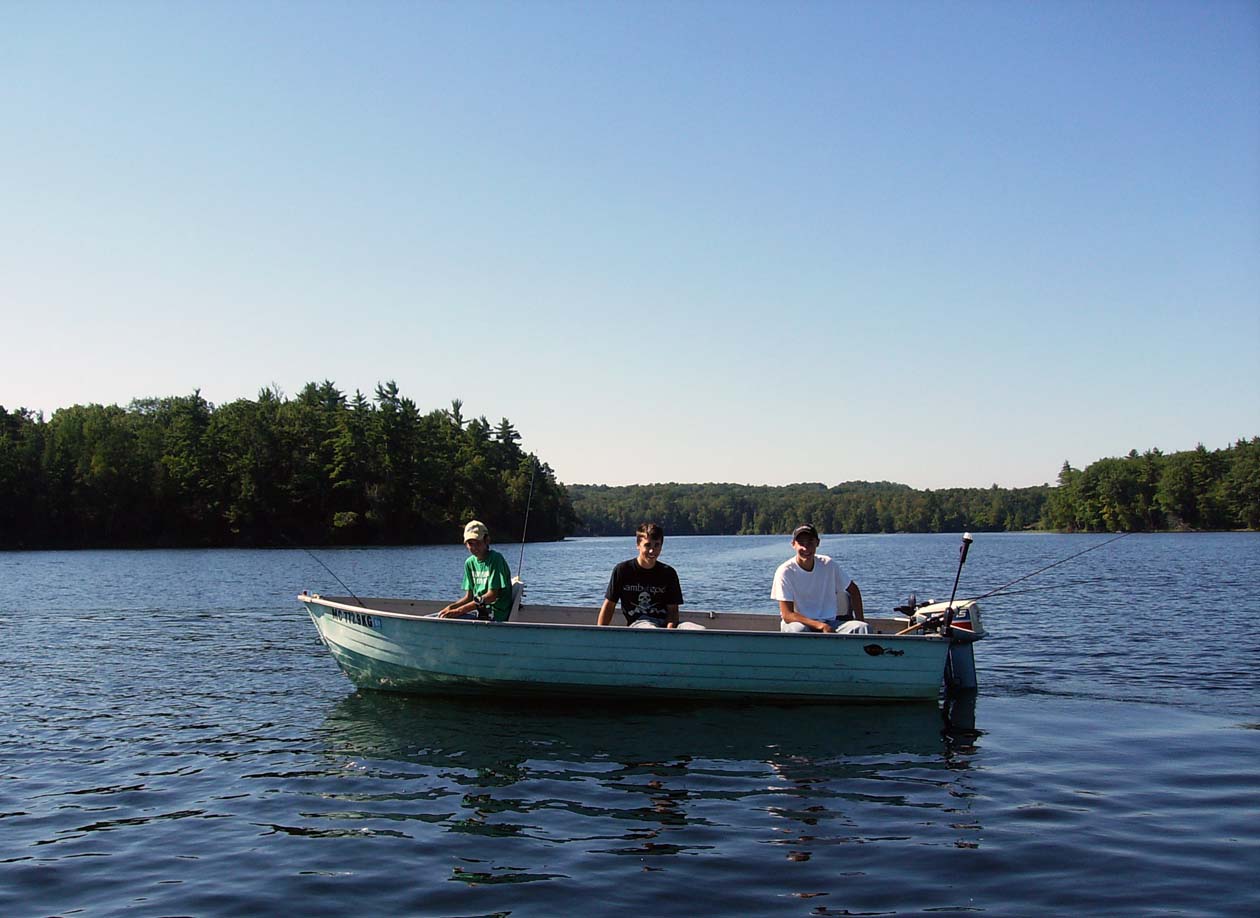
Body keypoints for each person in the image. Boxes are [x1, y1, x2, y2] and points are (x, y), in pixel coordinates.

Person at [597, 522, 702, 629]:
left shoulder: (669, 573)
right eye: (647, 545)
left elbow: (673, 612)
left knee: (699, 630)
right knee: (650, 628)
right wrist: (599, 633)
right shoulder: (622, 570)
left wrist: (670, 632)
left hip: (665, 624)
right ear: (638, 545)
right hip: (640, 624)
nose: (652, 550)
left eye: (657, 545)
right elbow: (609, 606)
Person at [771, 524, 869, 634]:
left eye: (810, 543)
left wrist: (860, 619)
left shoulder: (828, 564)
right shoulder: (785, 571)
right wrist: (820, 626)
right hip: (798, 623)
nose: (805, 548)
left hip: (829, 622)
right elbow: (787, 615)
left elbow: (854, 591)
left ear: (817, 543)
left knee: (863, 627)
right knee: (800, 630)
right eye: (801, 543)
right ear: (793, 544)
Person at [436, 520, 514, 621]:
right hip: (480, 613)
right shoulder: (469, 563)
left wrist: (459, 611)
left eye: (478, 542)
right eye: (470, 543)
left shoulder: (495, 559)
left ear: (487, 540)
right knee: (439, 616)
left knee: (449, 619)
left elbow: (491, 596)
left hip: (495, 616)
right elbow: (469, 597)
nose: (474, 547)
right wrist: (451, 608)